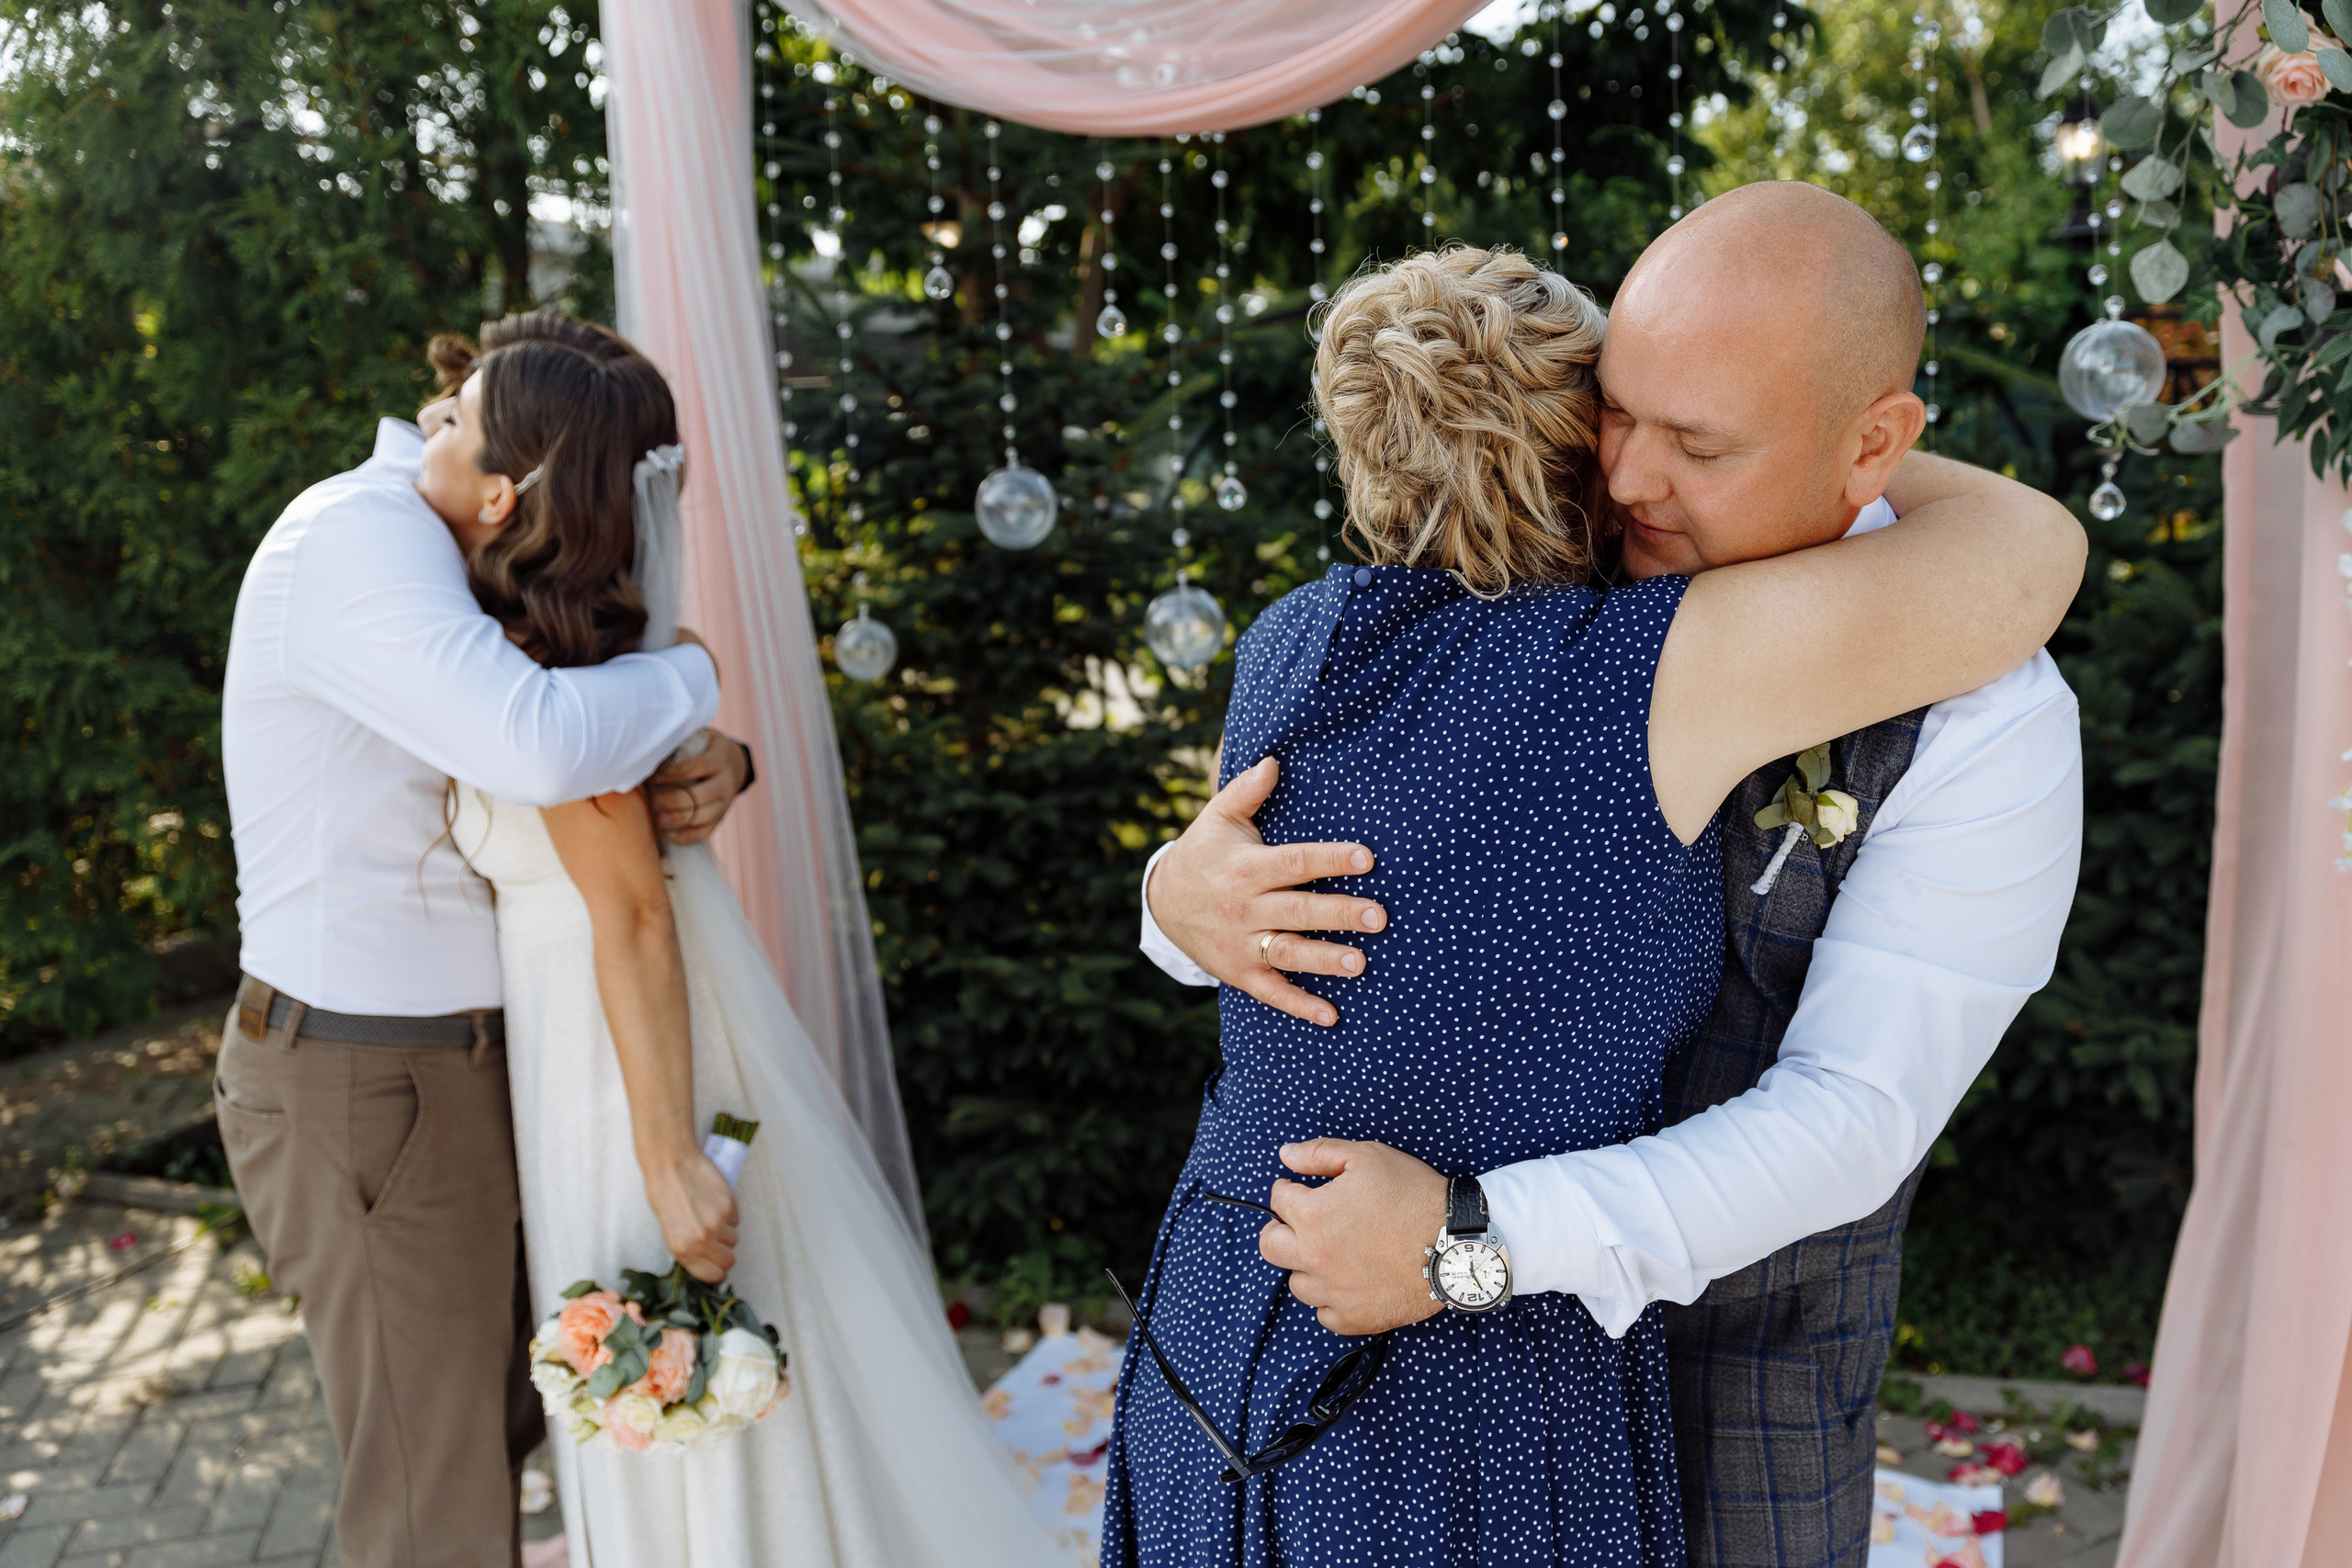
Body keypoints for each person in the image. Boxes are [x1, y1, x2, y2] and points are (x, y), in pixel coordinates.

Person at [1101, 226, 2083, 1564]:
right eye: (1610, 414)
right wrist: (1177, 895)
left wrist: (1474, 1245)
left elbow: (1855, 1116)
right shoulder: (1541, 606)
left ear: (1873, 446)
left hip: (1738, 1357)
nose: (1623, 477)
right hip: (1400, 1328)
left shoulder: (1994, 713)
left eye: (1701, 443)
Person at [429, 326, 1050, 1567]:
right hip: (592, 1038)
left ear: (506, 494)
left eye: (453, 418)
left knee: (673, 1345)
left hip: (626, 1056)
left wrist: (664, 1156)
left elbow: (635, 913)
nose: (425, 427)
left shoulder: (553, 670)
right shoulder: (528, 634)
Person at [216, 311, 754, 1568]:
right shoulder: (367, 536)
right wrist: (694, 673)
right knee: (432, 1503)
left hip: (459, 1070)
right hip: (366, 1073)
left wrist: (723, 758)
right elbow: (537, 741)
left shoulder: (471, 566)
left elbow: (571, 760)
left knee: (504, 1425)